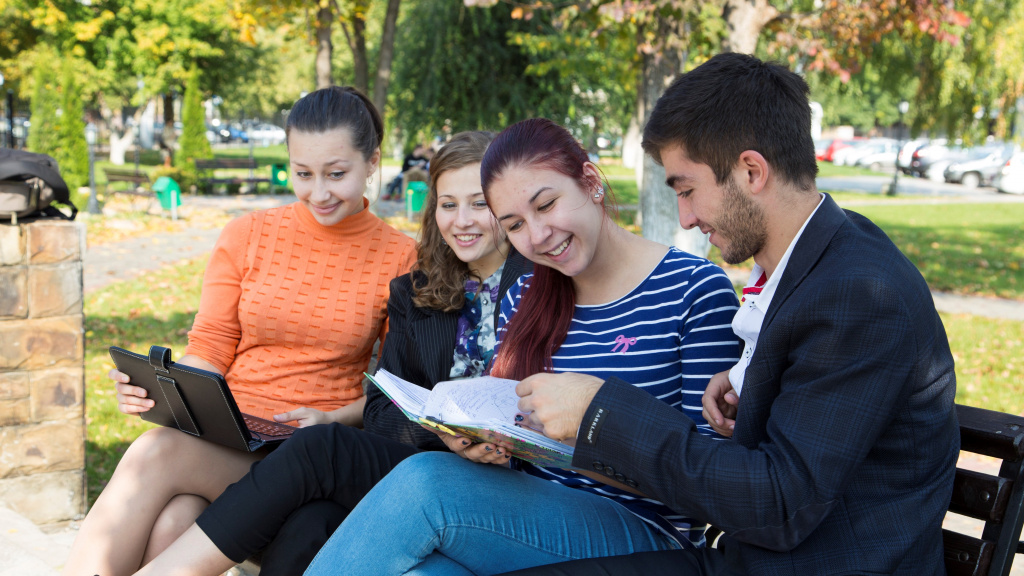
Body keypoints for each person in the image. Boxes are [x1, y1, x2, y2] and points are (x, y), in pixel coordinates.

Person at [497, 53, 960, 575]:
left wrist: (600, 411)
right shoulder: (823, 257)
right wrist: (749, 379)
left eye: (688, 190)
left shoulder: (859, 293)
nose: (686, 217)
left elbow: (781, 507)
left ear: (751, 171)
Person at [301, 117, 743, 576]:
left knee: (425, 483)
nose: (536, 236)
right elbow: (515, 426)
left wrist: (592, 426)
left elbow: (710, 478)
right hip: (524, 516)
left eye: (547, 205)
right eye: (514, 224)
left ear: (590, 182)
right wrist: (481, 440)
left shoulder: (694, 289)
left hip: (646, 532)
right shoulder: (525, 295)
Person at [125, 131, 533, 576]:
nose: (462, 220)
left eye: (479, 204)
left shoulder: (545, 288)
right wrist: (448, 434)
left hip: (513, 481)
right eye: (448, 205)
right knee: (309, 522)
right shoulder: (417, 294)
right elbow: (384, 409)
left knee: (319, 446)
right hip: (430, 458)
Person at [61, 86, 418, 576]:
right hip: (228, 433)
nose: (319, 193)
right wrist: (164, 391)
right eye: (302, 174)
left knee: (156, 453)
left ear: (372, 160)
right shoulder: (248, 234)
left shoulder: (400, 256)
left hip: (307, 452)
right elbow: (209, 348)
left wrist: (335, 419)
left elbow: (395, 390)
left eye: (337, 175)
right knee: (173, 520)